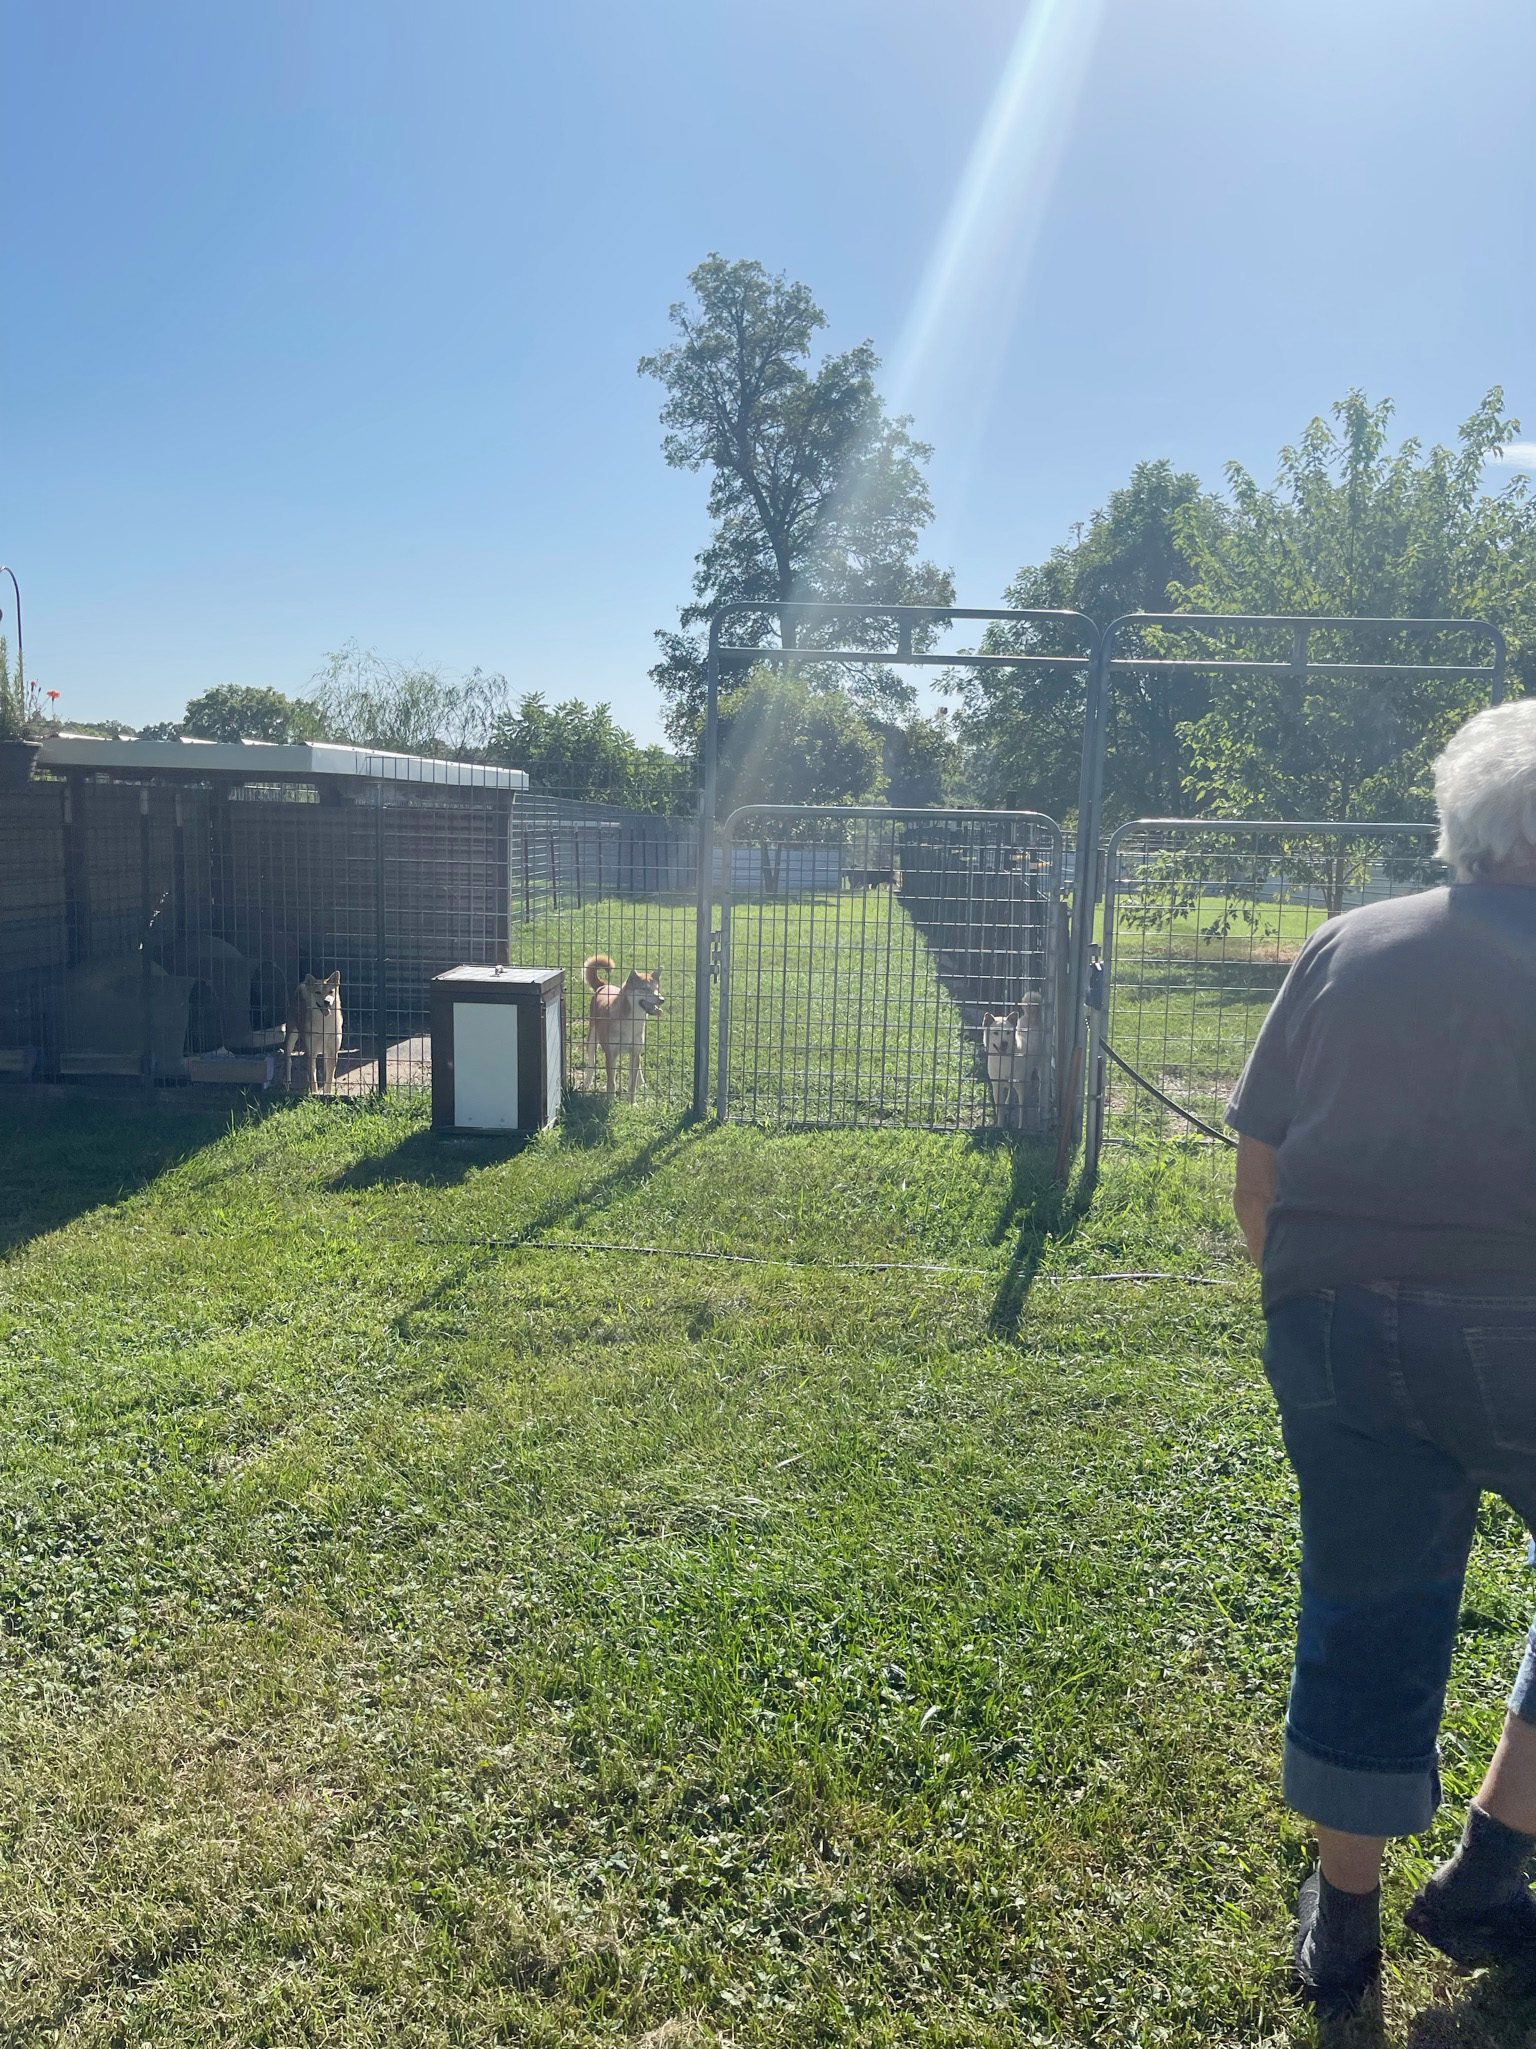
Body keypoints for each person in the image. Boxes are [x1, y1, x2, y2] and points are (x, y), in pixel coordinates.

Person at [1226, 698, 1536, 2009]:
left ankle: (1341, 1924)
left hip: (1329, 1315)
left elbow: (1260, 1172)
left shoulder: (1347, 942)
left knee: (1362, 1600)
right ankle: (1490, 1862)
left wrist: (1314, 1309)